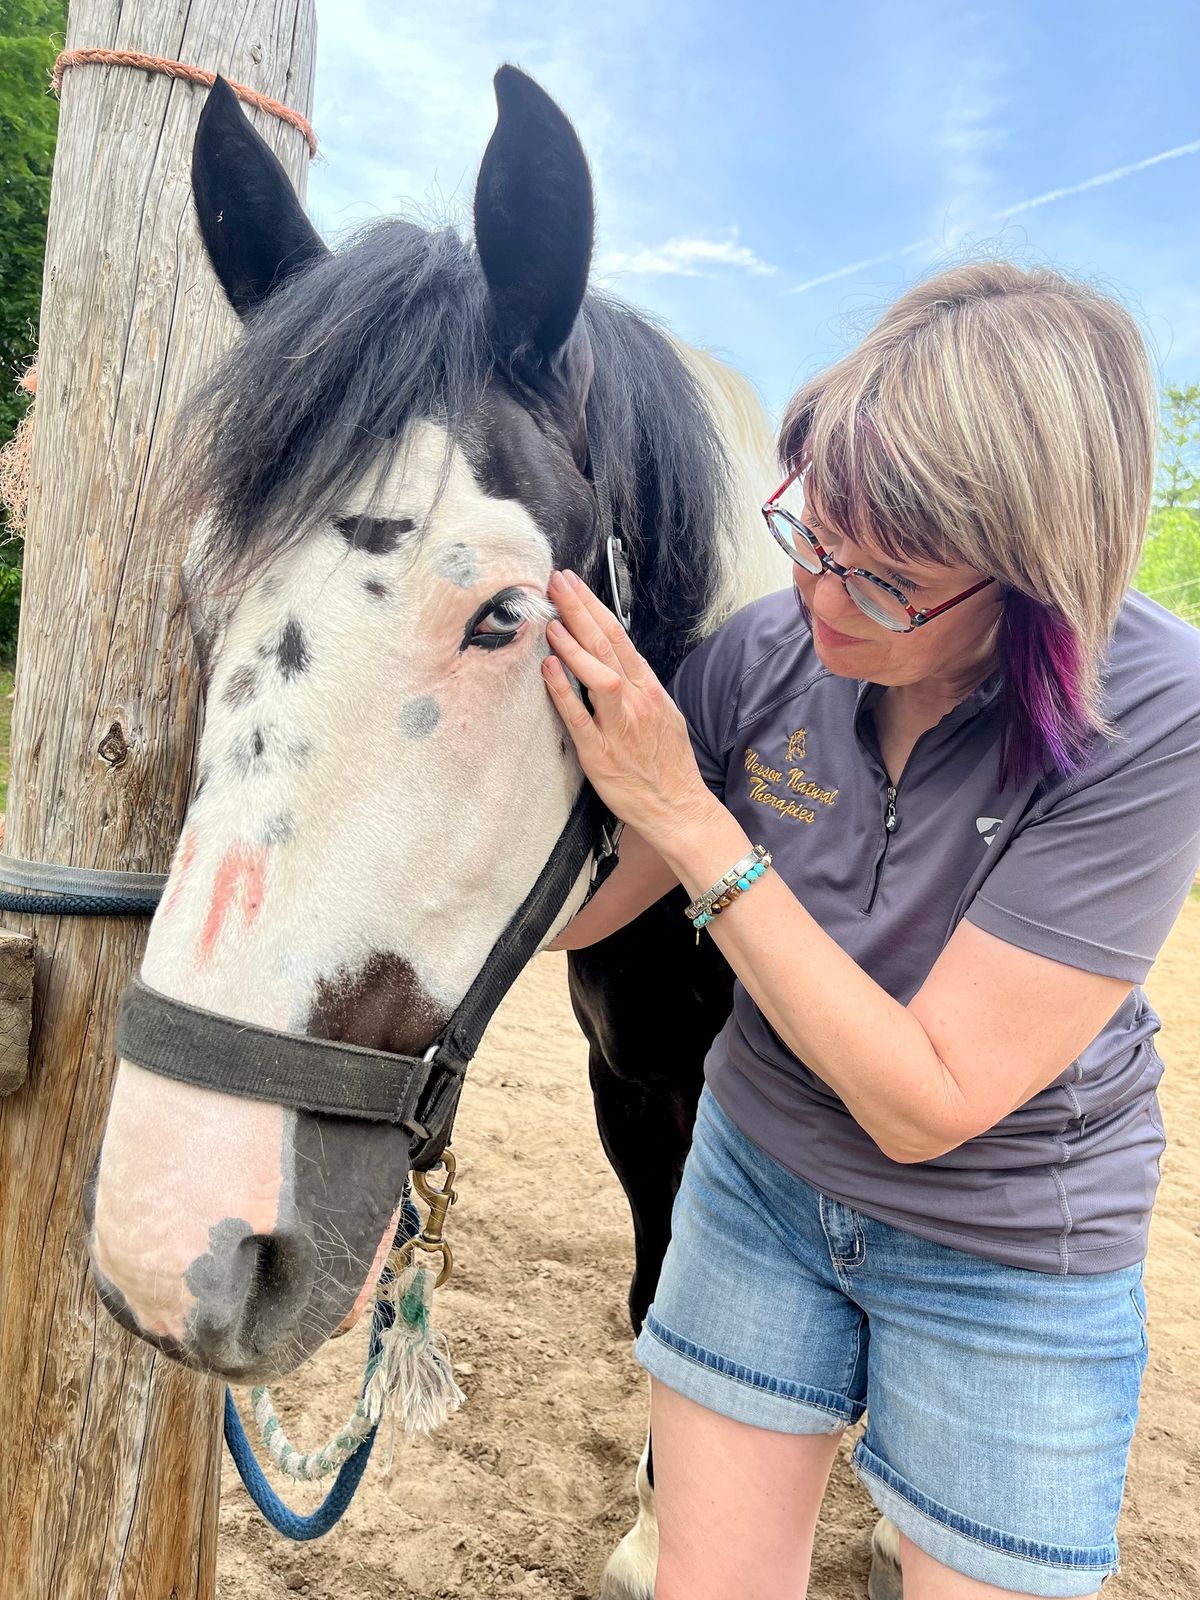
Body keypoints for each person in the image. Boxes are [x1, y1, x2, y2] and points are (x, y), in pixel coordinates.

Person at [539, 261, 1200, 1600]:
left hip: (1003, 1239)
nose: (824, 598)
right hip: (757, 1177)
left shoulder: (1153, 710)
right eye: (811, 535)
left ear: (1036, 576)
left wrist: (690, 812)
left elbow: (927, 1099)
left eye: (889, 581)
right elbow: (616, 894)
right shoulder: (767, 650)